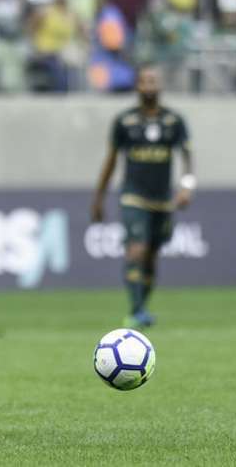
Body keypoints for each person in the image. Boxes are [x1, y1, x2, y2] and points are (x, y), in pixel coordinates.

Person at [91, 64, 194, 328]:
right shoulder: (124, 121)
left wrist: (186, 186)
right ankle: (136, 311)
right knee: (136, 250)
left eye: (153, 81)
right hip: (133, 197)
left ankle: (141, 307)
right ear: (137, 86)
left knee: (150, 257)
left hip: (162, 200)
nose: (149, 86)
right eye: (145, 81)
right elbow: (111, 161)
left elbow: (187, 157)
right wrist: (99, 198)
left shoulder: (174, 121)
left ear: (160, 86)